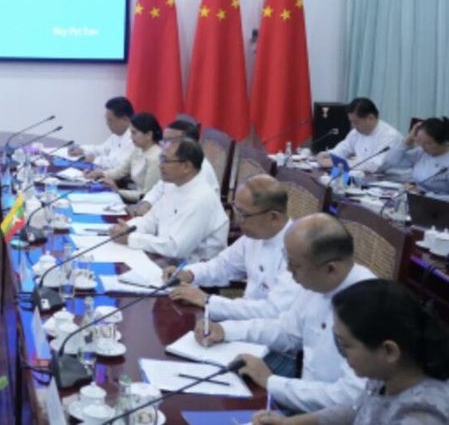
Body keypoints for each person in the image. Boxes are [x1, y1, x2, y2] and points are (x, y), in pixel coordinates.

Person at [197, 213, 374, 413]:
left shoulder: (368, 307)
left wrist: (272, 382)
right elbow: (287, 331)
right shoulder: (318, 282)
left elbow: (352, 398)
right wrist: (226, 330)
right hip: (301, 399)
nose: (289, 271)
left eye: (295, 266)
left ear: (330, 269)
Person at [253, 279, 449, 424]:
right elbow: (357, 409)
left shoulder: (422, 415)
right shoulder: (387, 375)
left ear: (389, 351)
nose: (341, 354)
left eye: (345, 345)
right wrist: (291, 423)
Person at [165, 174, 298, 320]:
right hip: (243, 320)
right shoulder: (255, 235)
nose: (238, 221)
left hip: (267, 327)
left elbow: (273, 312)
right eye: (236, 210)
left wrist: (208, 301)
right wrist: (190, 274)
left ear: (273, 217)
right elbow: (224, 265)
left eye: (243, 214)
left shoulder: (298, 251)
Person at [109, 138, 228, 262]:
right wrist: (127, 228)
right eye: (161, 159)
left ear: (186, 166)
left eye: (165, 160)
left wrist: (131, 238)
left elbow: (177, 248)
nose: (160, 165)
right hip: (165, 257)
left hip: (191, 268)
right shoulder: (174, 185)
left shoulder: (201, 198)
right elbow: (151, 220)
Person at [133, 117, 222, 215]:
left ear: (188, 143)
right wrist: (146, 203)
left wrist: (151, 214)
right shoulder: (175, 162)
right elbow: (159, 188)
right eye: (164, 141)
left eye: (169, 141)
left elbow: (183, 211)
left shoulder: (198, 169)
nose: (165, 146)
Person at [316, 98, 400, 174]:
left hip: (392, 179)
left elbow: (375, 166)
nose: (353, 126)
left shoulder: (389, 136)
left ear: (370, 118)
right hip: (367, 179)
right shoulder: (356, 133)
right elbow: (342, 149)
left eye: (356, 122)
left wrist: (340, 163)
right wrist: (326, 155)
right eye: (351, 122)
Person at [89, 112, 163, 198]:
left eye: (134, 133)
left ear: (149, 135)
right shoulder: (138, 149)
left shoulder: (155, 158)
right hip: (133, 196)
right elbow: (121, 171)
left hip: (143, 203)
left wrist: (118, 191)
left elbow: (146, 195)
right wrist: (100, 174)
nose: (131, 137)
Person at [382, 117, 449, 198]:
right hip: (416, 199)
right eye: (420, 142)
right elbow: (391, 160)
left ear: (444, 142)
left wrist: (424, 195)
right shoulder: (421, 152)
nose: (423, 147)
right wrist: (407, 140)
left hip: (436, 203)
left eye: (429, 143)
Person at [70, 96, 136, 170]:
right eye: (106, 119)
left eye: (110, 120)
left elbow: (120, 164)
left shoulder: (135, 139)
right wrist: (83, 150)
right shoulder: (117, 135)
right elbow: (102, 150)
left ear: (125, 120)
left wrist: (95, 160)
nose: (107, 123)